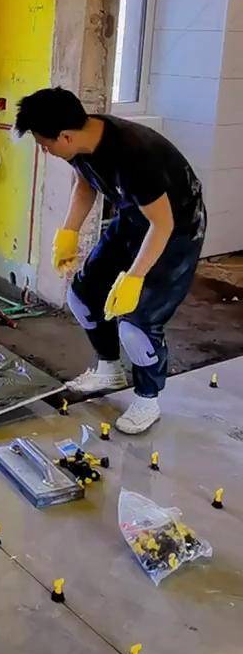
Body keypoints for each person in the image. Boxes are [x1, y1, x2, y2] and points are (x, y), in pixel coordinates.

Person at [15, 88, 206, 434]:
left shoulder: (134, 156)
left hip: (177, 231)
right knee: (82, 296)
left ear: (65, 136)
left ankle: (147, 399)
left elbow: (162, 225)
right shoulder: (81, 143)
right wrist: (69, 233)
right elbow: (85, 185)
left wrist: (134, 277)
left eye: (44, 144)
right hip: (133, 220)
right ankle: (109, 369)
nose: (44, 151)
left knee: (136, 324)